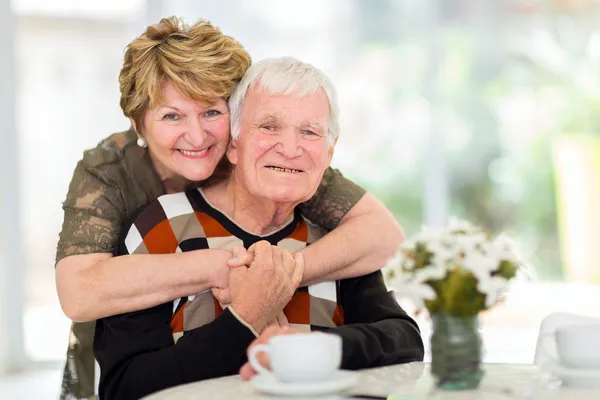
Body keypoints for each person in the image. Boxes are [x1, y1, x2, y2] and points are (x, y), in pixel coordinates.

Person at [56, 17, 406, 399]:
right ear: (139, 124)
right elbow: (79, 294)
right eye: (172, 115)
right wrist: (228, 270)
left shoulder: (281, 166)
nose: (197, 135)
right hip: (118, 332)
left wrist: (284, 271)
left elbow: (384, 238)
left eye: (212, 112)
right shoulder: (114, 175)